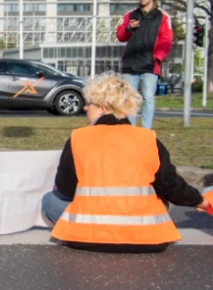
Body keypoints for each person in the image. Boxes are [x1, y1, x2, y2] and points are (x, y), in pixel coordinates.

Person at [42, 73, 211, 253]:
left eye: (90, 103)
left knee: (50, 200)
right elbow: (171, 185)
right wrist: (201, 202)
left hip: (87, 236)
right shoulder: (148, 139)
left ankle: (74, 231)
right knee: (159, 197)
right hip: (148, 238)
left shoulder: (78, 138)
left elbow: (66, 189)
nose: (85, 108)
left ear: (103, 107)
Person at [116, 0, 173, 129]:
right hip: (131, 63)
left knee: (148, 98)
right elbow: (120, 35)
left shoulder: (163, 16)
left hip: (150, 65)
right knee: (129, 99)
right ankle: (131, 129)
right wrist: (128, 28)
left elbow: (166, 40)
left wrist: (157, 57)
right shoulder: (130, 15)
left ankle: (146, 129)